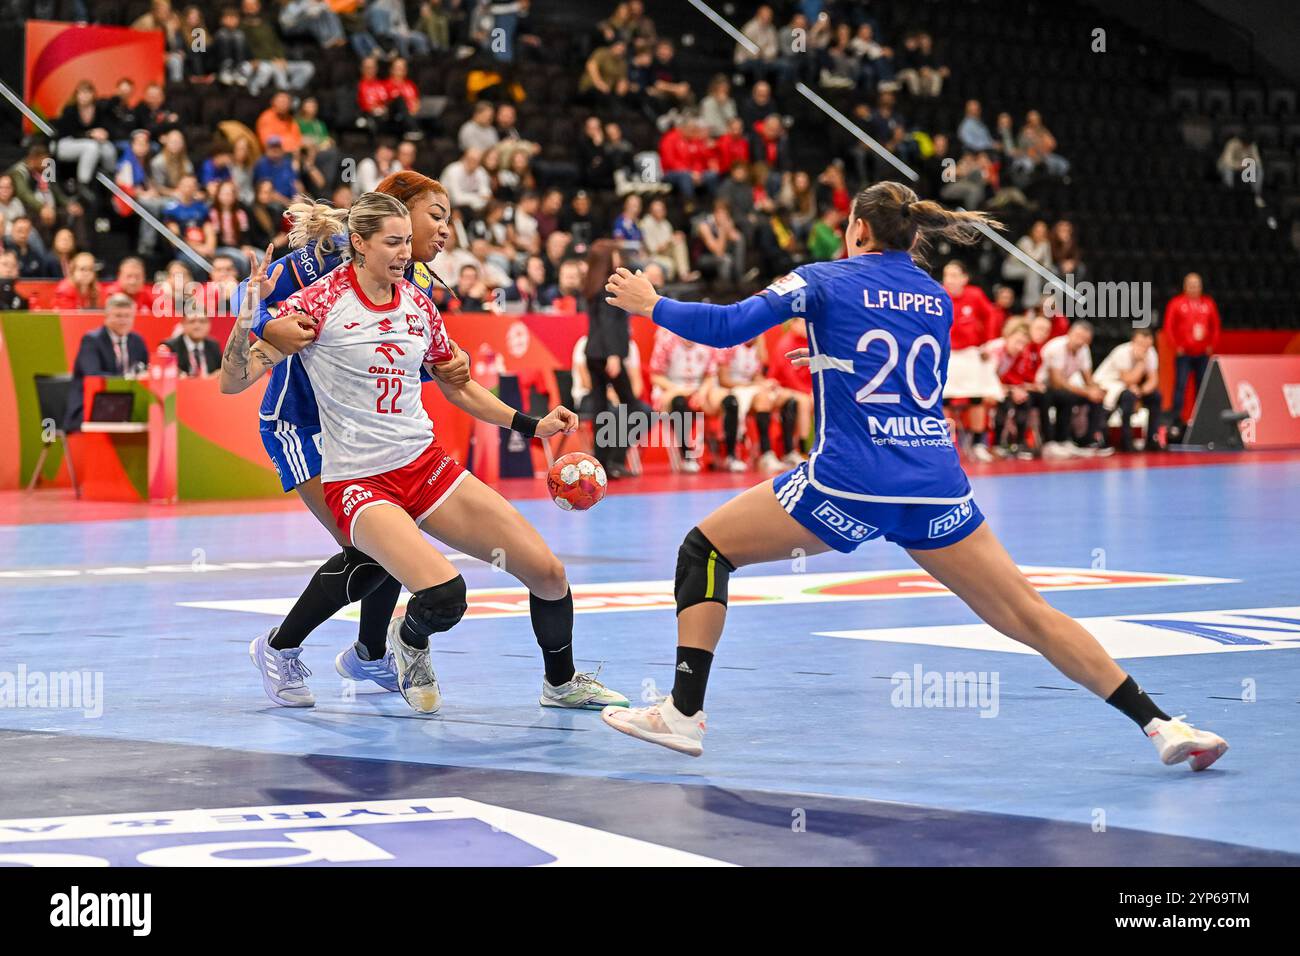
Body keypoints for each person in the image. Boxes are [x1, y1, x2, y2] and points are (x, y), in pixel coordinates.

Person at [599, 180, 1227, 771]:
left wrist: (651, 304)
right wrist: (825, 355)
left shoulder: (820, 277)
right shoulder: (936, 297)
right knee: (1029, 613)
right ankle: (1162, 725)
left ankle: (682, 713)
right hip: (933, 486)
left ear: (859, 228)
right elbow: (893, 365)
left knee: (704, 550)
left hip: (848, 483)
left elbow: (730, 327)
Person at [222, 191, 628, 715]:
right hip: (360, 482)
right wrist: (246, 321)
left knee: (548, 572)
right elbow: (234, 382)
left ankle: (561, 681)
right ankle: (401, 642)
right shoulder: (317, 302)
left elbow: (457, 386)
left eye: (406, 243)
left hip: (426, 466)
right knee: (440, 593)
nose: (403, 252)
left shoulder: (419, 303)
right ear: (359, 245)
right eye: (392, 242)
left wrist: (533, 426)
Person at [582, 239, 641, 478]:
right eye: (616, 255)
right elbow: (607, 323)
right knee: (633, 407)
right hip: (606, 354)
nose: (620, 259)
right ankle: (615, 460)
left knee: (601, 410)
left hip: (593, 353)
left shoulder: (592, 285)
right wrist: (614, 355)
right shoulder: (607, 287)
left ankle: (602, 464)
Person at [67, 293, 150, 429]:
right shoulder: (91, 341)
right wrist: (128, 379)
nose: (123, 320)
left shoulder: (137, 341)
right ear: (106, 317)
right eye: (118, 316)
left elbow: (145, 371)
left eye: (127, 316)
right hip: (94, 403)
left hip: (129, 403)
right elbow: (93, 375)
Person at [1039, 319, 1112, 457]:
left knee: (1096, 399)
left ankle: (1088, 441)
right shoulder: (1056, 347)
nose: (1080, 341)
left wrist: (1097, 390)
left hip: (1064, 387)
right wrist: (1087, 392)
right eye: (1078, 336)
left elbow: (1088, 379)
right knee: (1067, 396)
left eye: (1084, 338)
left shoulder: (1084, 350)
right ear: (1070, 333)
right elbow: (1057, 382)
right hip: (1043, 387)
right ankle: (1057, 440)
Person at [1164, 272, 1220, 422]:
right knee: (1180, 386)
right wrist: (1176, 347)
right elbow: (1169, 328)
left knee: (1202, 387)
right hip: (1184, 354)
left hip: (1202, 354)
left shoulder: (1208, 304)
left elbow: (1215, 327)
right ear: (1185, 286)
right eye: (1191, 285)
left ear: (1200, 287)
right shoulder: (1176, 303)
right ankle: (1176, 419)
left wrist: (1211, 345)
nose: (1194, 288)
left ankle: (1201, 419)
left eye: (1196, 285)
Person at [1095, 328, 1162, 452]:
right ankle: (1126, 440)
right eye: (1141, 345)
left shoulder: (1151, 352)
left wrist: (1141, 392)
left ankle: (1152, 439)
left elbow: (1153, 380)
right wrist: (1142, 362)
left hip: (1130, 387)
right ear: (1133, 342)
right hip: (1108, 383)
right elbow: (1128, 380)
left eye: (1147, 346)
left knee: (1156, 396)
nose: (1144, 349)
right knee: (1129, 397)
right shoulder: (1121, 352)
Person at [163, 304, 222, 376]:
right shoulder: (170, 347)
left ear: (209, 324)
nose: (197, 326)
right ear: (183, 324)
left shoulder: (214, 345)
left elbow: (221, 370)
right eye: (192, 321)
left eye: (202, 321)